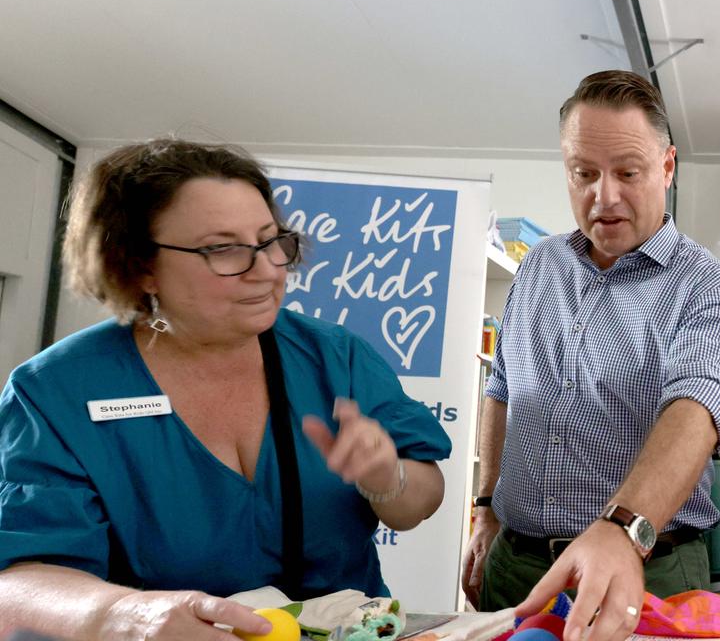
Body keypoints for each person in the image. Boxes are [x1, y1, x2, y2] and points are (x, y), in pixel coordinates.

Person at [0, 139, 451, 641]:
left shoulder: (334, 357)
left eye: (270, 240)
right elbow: (19, 580)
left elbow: (418, 502)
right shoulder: (56, 392)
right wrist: (124, 615)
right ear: (138, 263)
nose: (268, 270)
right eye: (224, 249)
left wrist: (387, 481)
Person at [460, 70, 720, 641]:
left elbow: (696, 412)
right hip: (516, 567)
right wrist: (487, 507)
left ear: (667, 167)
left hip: (646, 569)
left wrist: (622, 529)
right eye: (584, 173)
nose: (604, 195)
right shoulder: (539, 268)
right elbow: (501, 390)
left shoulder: (707, 286)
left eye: (627, 172)